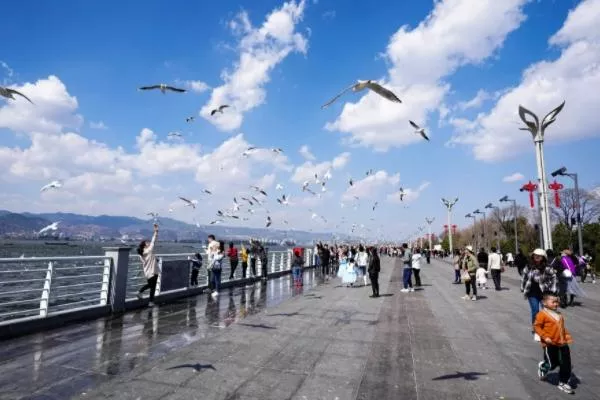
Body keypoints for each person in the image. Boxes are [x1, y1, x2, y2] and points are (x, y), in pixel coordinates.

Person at [534, 293, 574, 394]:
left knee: (566, 363)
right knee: (552, 364)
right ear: (544, 303)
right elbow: (537, 326)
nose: (556, 304)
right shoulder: (542, 314)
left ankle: (563, 382)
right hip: (550, 344)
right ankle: (543, 367)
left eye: (557, 301)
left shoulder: (559, 315)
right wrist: (544, 337)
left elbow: (561, 329)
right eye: (553, 302)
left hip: (562, 343)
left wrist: (566, 337)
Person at [521, 249, 558, 333]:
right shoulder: (529, 266)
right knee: (535, 311)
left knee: (547, 311)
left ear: (543, 257)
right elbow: (524, 277)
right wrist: (523, 287)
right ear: (533, 256)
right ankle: (536, 328)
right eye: (535, 255)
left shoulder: (547, 267)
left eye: (539, 255)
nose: (537, 257)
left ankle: (547, 327)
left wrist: (553, 289)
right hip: (532, 292)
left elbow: (554, 277)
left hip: (545, 292)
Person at [137, 224, 159, 307]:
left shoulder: (141, 254)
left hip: (147, 272)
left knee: (151, 285)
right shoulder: (149, 250)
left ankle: (141, 293)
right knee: (152, 287)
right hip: (153, 271)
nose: (149, 243)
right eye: (147, 243)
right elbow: (154, 241)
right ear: (145, 246)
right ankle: (149, 300)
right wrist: (156, 231)